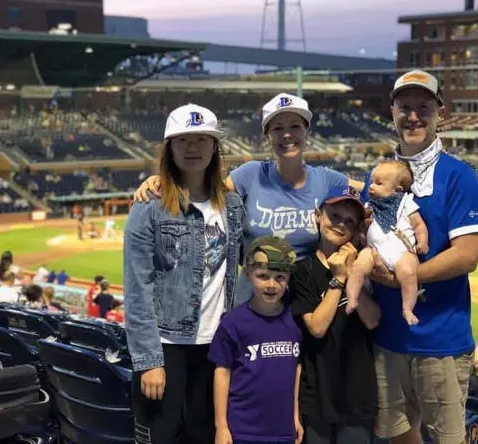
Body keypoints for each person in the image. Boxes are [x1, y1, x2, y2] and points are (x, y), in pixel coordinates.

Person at [361, 70, 478, 444]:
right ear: (392, 111)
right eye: (405, 107)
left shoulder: (458, 176)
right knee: (399, 436)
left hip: (441, 340)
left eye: (423, 107)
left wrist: (406, 275)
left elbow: (467, 256)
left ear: (441, 113)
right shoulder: (380, 173)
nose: (413, 116)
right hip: (389, 339)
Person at [133, 93, 356, 304]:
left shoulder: (327, 180)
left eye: (295, 126)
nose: (287, 134)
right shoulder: (249, 174)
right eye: (277, 128)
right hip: (252, 302)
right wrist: (164, 180)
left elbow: (377, 190)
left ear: (306, 131)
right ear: (267, 135)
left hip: (307, 303)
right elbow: (203, 192)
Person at [124, 103, 245, 444]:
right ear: (169, 149)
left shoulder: (233, 206)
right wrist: (149, 361)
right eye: (183, 141)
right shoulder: (149, 207)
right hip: (166, 348)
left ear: (214, 146)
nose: (193, 148)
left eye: (202, 139)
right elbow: (136, 290)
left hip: (216, 348)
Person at [289, 186, 380, 444]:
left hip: (357, 395)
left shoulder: (366, 268)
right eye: (334, 215)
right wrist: (338, 279)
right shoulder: (303, 270)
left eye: (349, 221)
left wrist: (353, 275)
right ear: (319, 215)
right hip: (317, 394)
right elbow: (317, 327)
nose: (340, 224)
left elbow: (372, 319)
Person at [209, 236, 303, 444]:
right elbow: (222, 373)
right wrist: (221, 426)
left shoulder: (295, 320)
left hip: (283, 430)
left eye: (280, 277)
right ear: (249, 274)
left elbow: (296, 369)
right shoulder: (233, 322)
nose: (271, 284)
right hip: (242, 430)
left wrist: (295, 417)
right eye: (263, 276)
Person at [345, 160, 428, 325]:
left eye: (378, 183)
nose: (371, 186)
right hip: (374, 249)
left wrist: (423, 241)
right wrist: (362, 231)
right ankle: (353, 298)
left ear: (397, 190)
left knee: (409, 274)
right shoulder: (369, 206)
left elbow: (418, 225)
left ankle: (407, 308)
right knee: (358, 266)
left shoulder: (405, 203)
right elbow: (362, 231)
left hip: (401, 251)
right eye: (371, 182)